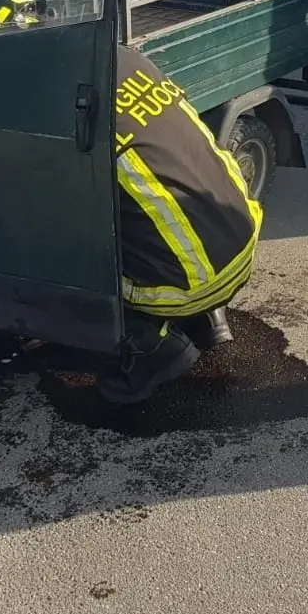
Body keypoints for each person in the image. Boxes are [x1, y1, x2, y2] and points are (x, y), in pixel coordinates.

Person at [105, 44, 262, 403]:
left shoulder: (67, 102)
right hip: (242, 242)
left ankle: (152, 347)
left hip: (187, 286)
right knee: (161, 206)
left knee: (59, 245)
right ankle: (209, 320)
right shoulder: (128, 59)